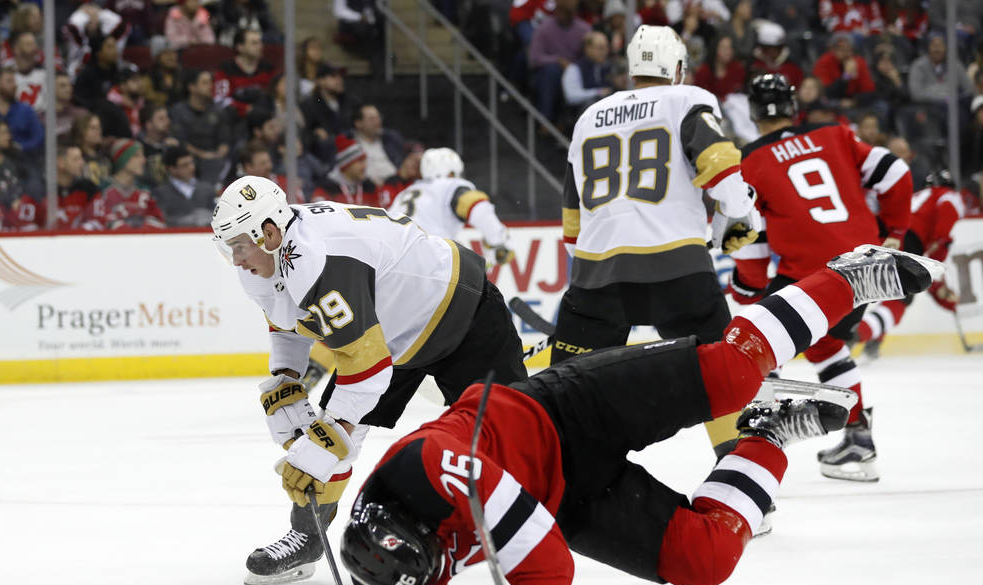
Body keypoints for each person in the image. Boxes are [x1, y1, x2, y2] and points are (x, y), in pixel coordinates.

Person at [338, 245, 944, 585]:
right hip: (564, 498)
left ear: (417, 524)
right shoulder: (379, 576)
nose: (448, 566)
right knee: (704, 559)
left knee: (733, 372)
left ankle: (846, 277)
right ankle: (769, 433)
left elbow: (543, 558)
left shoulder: (436, 469)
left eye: (441, 557)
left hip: (565, 411)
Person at [209, 175, 528, 585]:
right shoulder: (266, 257)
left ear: (268, 232)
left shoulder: (317, 260)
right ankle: (308, 536)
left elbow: (367, 371)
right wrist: (285, 378)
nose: (234, 258)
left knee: (512, 435)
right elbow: (286, 322)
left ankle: (534, 526)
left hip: (462, 312)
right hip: (388, 334)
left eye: (237, 244)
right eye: (227, 245)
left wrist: (328, 436)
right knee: (337, 429)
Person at [552, 25, 761, 460]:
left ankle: (562, 488)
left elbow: (572, 225)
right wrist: (739, 210)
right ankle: (736, 478)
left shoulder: (589, 116)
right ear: (679, 68)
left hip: (596, 278)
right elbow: (722, 168)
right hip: (677, 270)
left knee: (567, 389)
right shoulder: (688, 99)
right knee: (719, 373)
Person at [733, 73, 913, 482]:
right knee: (827, 344)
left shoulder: (750, 161)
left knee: (757, 341)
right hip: (863, 266)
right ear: (794, 108)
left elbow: (749, 233)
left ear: (754, 112)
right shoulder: (834, 133)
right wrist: (897, 232)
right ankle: (857, 437)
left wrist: (749, 284)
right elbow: (895, 170)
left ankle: (763, 440)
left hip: (809, 275)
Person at [856, 169, 964, 354]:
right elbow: (940, 241)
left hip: (881, 235)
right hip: (908, 240)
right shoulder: (950, 196)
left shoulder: (918, 196)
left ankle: (870, 339)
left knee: (869, 291)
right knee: (901, 297)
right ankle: (857, 334)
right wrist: (941, 289)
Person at [386, 147, 514, 267]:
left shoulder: (404, 193)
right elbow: (478, 209)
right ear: (452, 172)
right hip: (428, 259)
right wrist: (498, 241)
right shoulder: (450, 186)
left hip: (393, 260)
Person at [154, 145, 217, 226]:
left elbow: (218, 215)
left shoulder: (208, 189)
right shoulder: (161, 193)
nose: (191, 168)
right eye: (185, 165)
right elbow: (162, 220)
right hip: (177, 236)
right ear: (172, 169)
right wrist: (187, 221)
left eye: (192, 163)